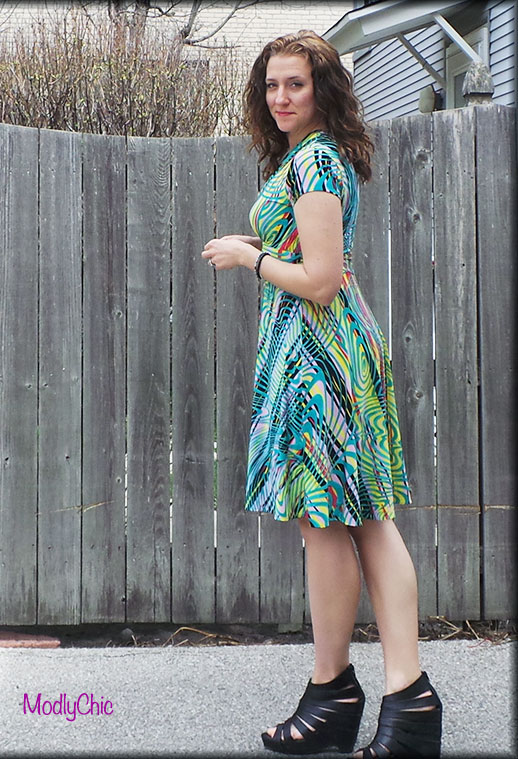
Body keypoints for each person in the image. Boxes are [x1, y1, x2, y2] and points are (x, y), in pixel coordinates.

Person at [201, 30, 442, 758]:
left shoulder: (313, 160)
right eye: (271, 84)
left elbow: (321, 279)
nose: (280, 97)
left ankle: (403, 697)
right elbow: (314, 262)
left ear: (322, 89)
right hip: (313, 352)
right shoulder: (308, 156)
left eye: (295, 84)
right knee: (335, 522)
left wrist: (249, 258)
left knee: (358, 521)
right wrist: (265, 251)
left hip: (320, 356)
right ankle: (339, 695)